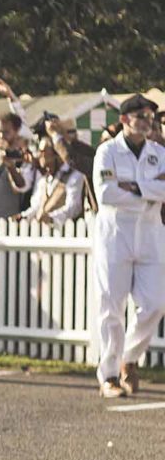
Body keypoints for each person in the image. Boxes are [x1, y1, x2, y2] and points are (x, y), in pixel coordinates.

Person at [90, 94, 165, 398]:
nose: (148, 122)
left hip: (150, 233)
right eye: (141, 116)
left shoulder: (158, 153)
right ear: (124, 119)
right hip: (115, 233)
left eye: (150, 117)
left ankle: (129, 358)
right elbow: (107, 194)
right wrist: (151, 190)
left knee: (154, 304)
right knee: (111, 307)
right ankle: (108, 375)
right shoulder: (107, 152)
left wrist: (134, 186)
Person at [17, 142, 84, 227]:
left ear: (57, 155)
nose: (39, 156)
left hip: (66, 233)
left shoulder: (74, 175)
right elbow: (38, 206)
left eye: (43, 152)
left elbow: (74, 207)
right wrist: (24, 216)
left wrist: (52, 218)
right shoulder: (46, 177)